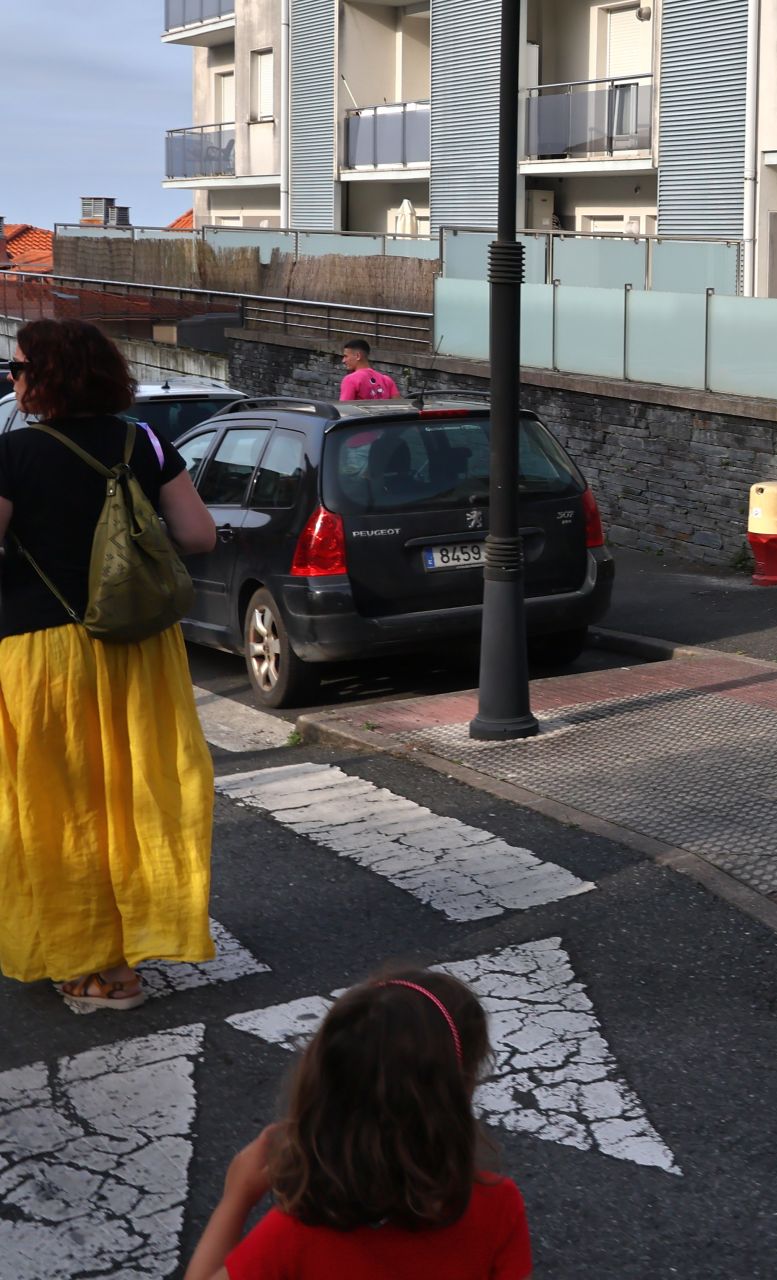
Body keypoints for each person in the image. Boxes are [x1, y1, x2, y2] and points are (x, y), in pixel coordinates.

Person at [0, 319, 218, 1010]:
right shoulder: (143, 442)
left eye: (18, 367)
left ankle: (91, 964)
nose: (12, 378)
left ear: (46, 376)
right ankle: (133, 944)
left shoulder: (12, 452)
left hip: (46, 654)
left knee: (59, 807)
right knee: (136, 796)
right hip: (139, 647)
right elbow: (199, 535)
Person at [184, 969, 534, 1280]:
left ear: (320, 1089)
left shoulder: (294, 1235)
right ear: (462, 1090)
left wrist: (237, 1198)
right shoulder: (498, 1205)